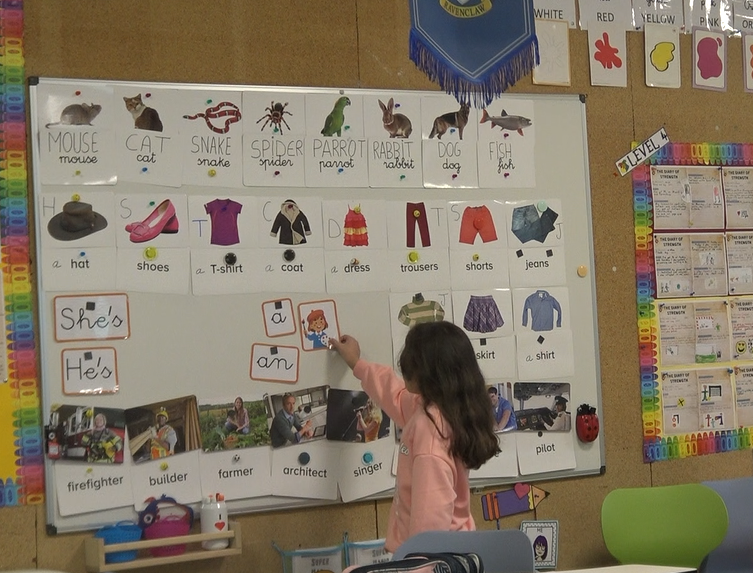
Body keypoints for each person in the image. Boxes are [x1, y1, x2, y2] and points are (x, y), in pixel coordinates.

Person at [330, 321, 500, 553]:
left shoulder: (430, 433)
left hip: (432, 559)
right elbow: (393, 395)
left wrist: (413, 564)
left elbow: (428, 533)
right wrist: (356, 363)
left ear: (425, 373)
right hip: (449, 549)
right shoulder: (445, 408)